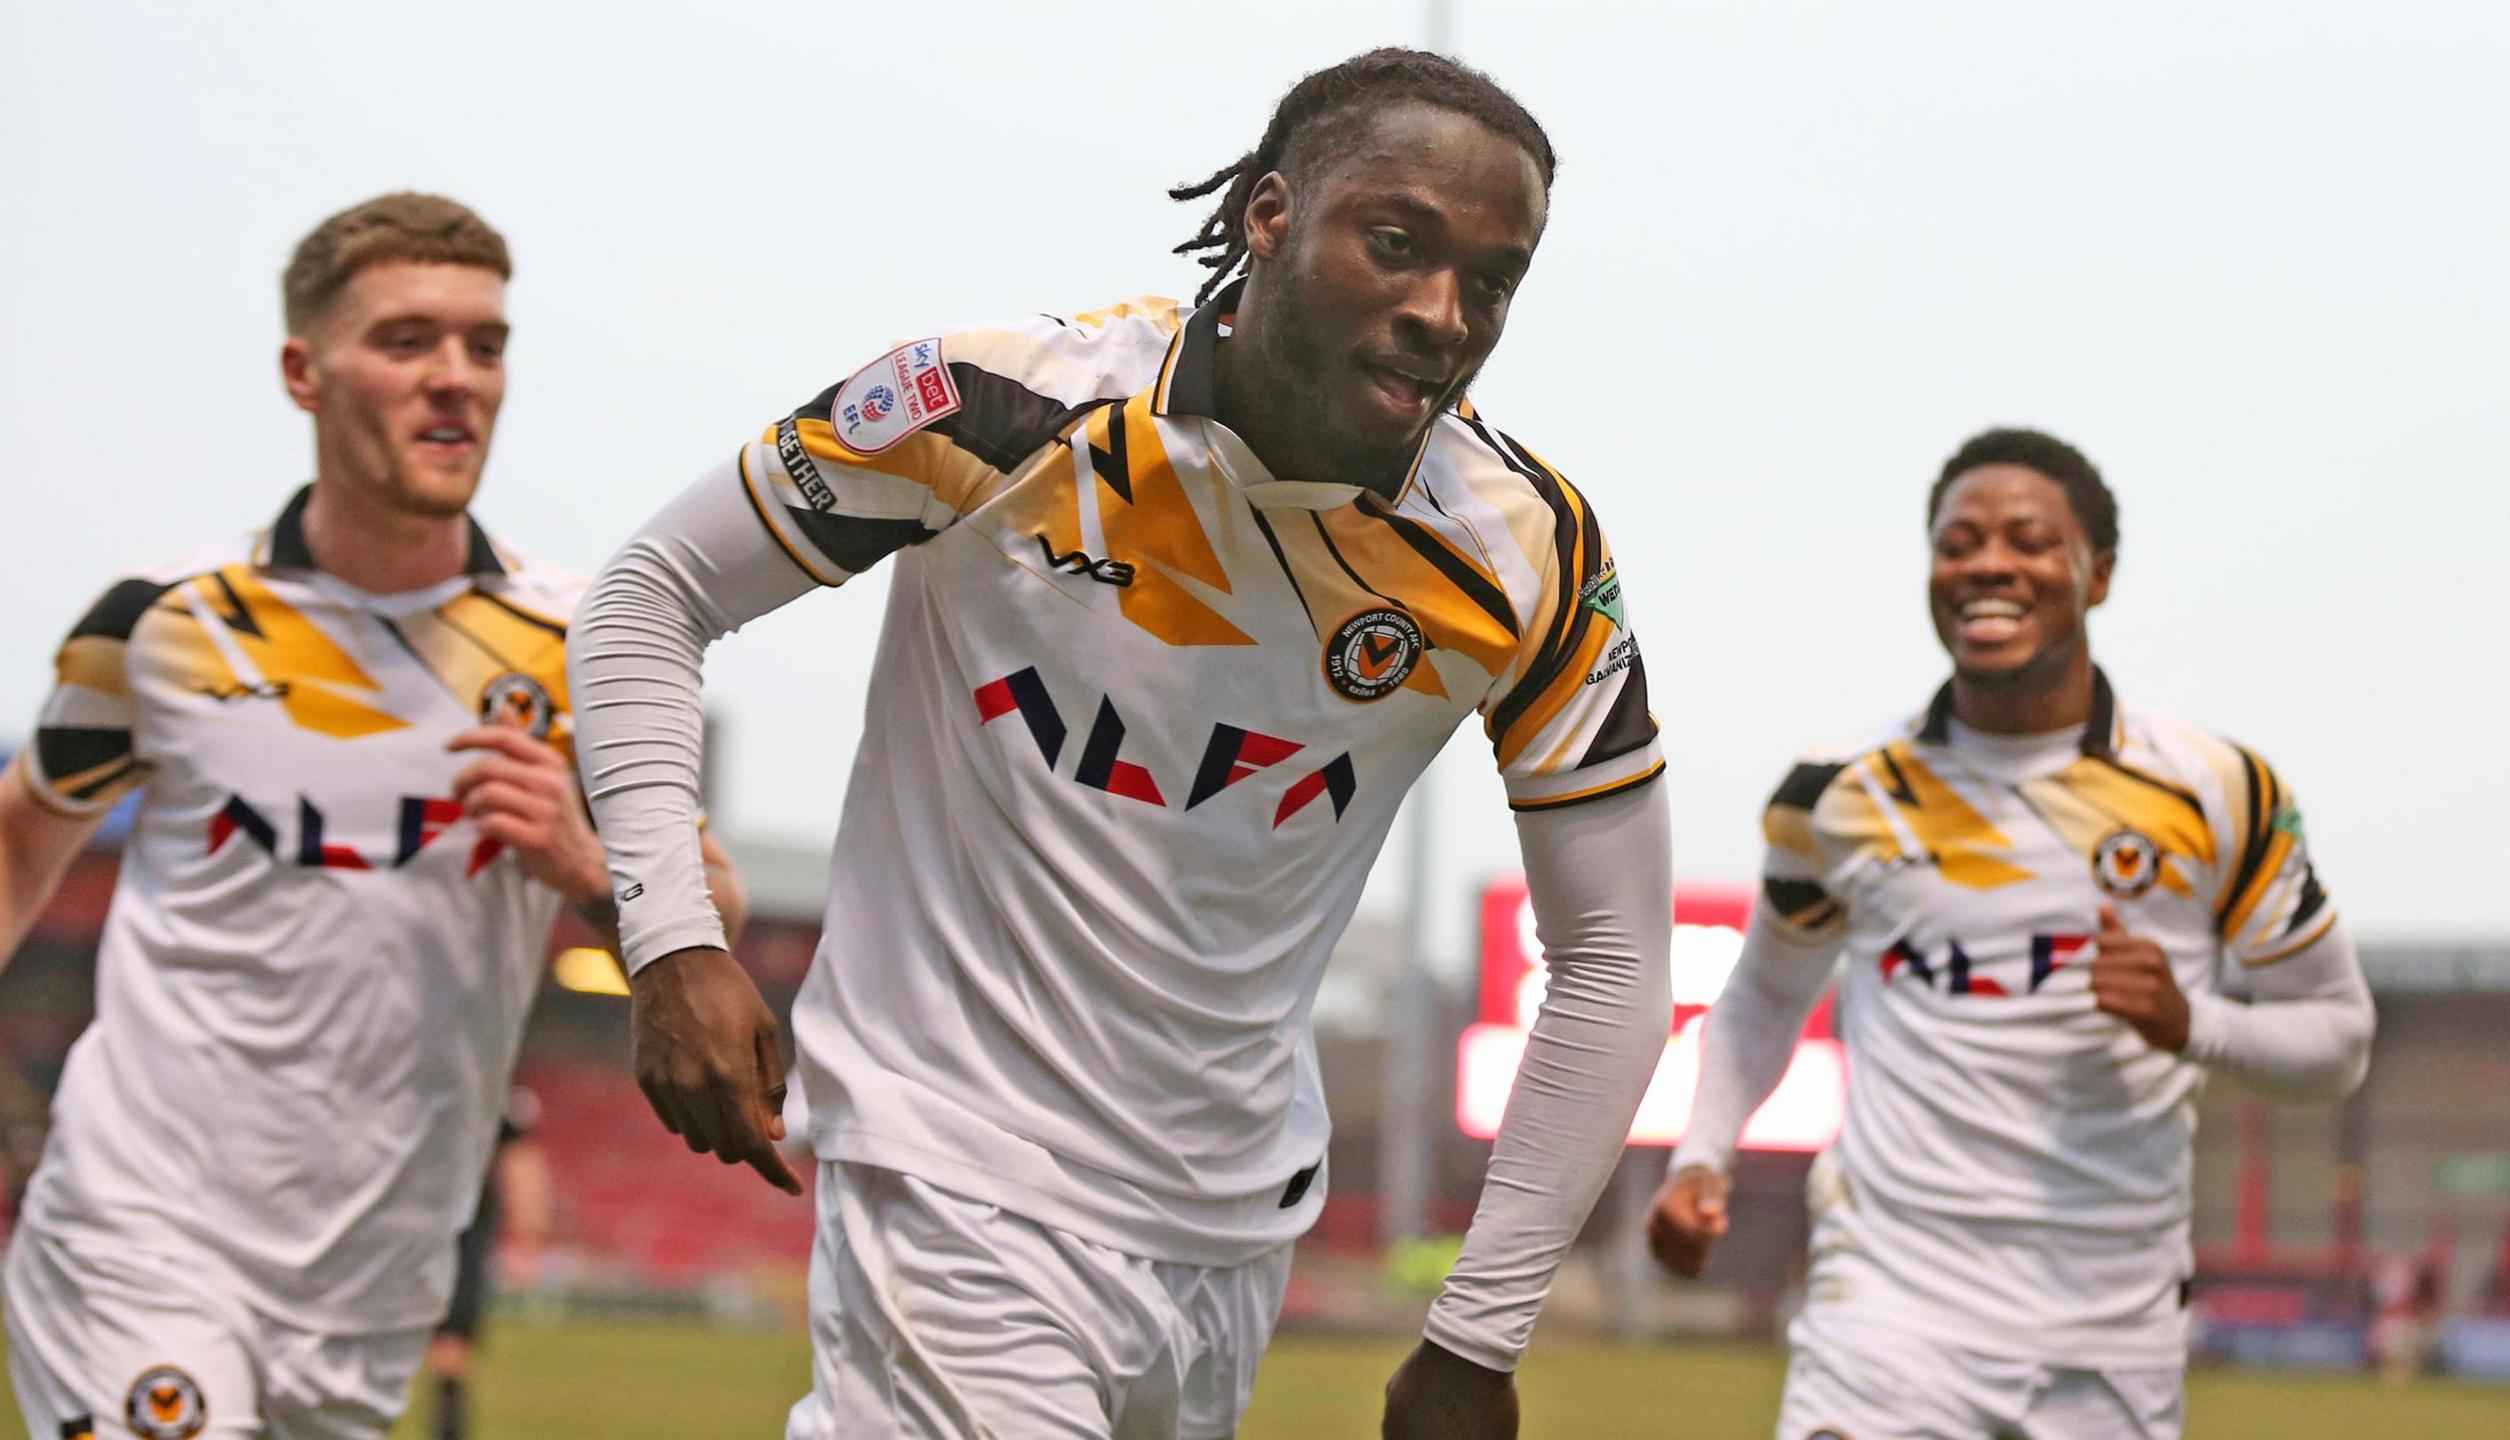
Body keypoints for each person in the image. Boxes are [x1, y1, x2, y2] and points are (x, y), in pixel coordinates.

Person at [568, 47, 1672, 1440]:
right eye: (1397, 245)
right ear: (1271, 215)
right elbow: (649, 596)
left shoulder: (1528, 557)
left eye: (1493, 282)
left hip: (1231, 1229)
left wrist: (1480, 1331)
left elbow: (1619, 956)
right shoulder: (993, 405)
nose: (1442, 313)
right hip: (958, 1167)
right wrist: (668, 937)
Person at [0, 193, 743, 1440]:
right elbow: (23, 838)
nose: (455, 380)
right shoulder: (166, 624)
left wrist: (580, 860)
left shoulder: (583, 646)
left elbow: (706, 925)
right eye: (406, 341)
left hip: (373, 1286)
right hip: (140, 1233)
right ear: (304, 372)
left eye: (484, 346)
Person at [1644, 428, 2376, 1440]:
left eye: (2029, 540)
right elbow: (1766, 992)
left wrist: (2189, 1020)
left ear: (2098, 574)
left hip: (2107, 1343)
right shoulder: (1837, 790)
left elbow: (2336, 1040)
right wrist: (1701, 1157)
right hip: (1884, 1323)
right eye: (1958, 543)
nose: (1987, 563)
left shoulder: (2216, 791)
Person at [424, 1088, 552, 1440]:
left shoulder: (492, 1095)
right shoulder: (487, 1088)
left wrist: (528, 1234)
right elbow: (521, 1160)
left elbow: (520, 1158)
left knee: (450, 1346)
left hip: (453, 1226)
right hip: (430, 1225)